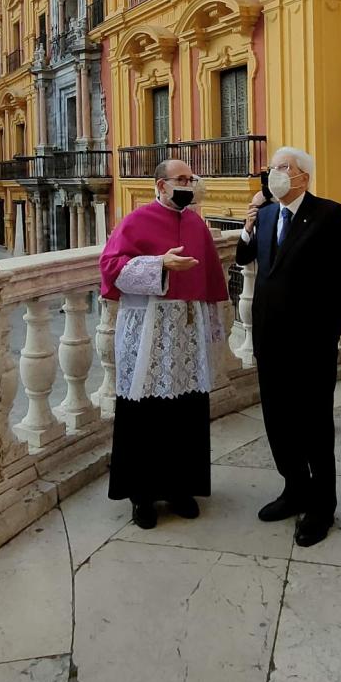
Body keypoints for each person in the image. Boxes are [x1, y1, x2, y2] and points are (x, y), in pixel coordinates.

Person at [235, 147, 341, 547]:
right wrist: (248, 226)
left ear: (304, 175)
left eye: (283, 168)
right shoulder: (268, 214)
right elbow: (246, 258)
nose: (275, 174)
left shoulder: (329, 213)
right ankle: (294, 488)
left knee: (314, 426)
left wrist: (328, 335)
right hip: (270, 339)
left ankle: (322, 506)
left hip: (312, 343)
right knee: (278, 421)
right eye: (272, 169)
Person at [100, 159, 228, 530]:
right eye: (181, 179)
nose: (189, 184)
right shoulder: (136, 220)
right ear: (160, 185)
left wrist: (213, 326)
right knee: (146, 414)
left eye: (192, 178)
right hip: (149, 329)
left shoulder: (196, 224)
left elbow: (211, 278)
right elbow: (111, 267)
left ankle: (180, 489)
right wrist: (160, 264)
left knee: (185, 409)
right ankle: (142, 497)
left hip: (188, 330)